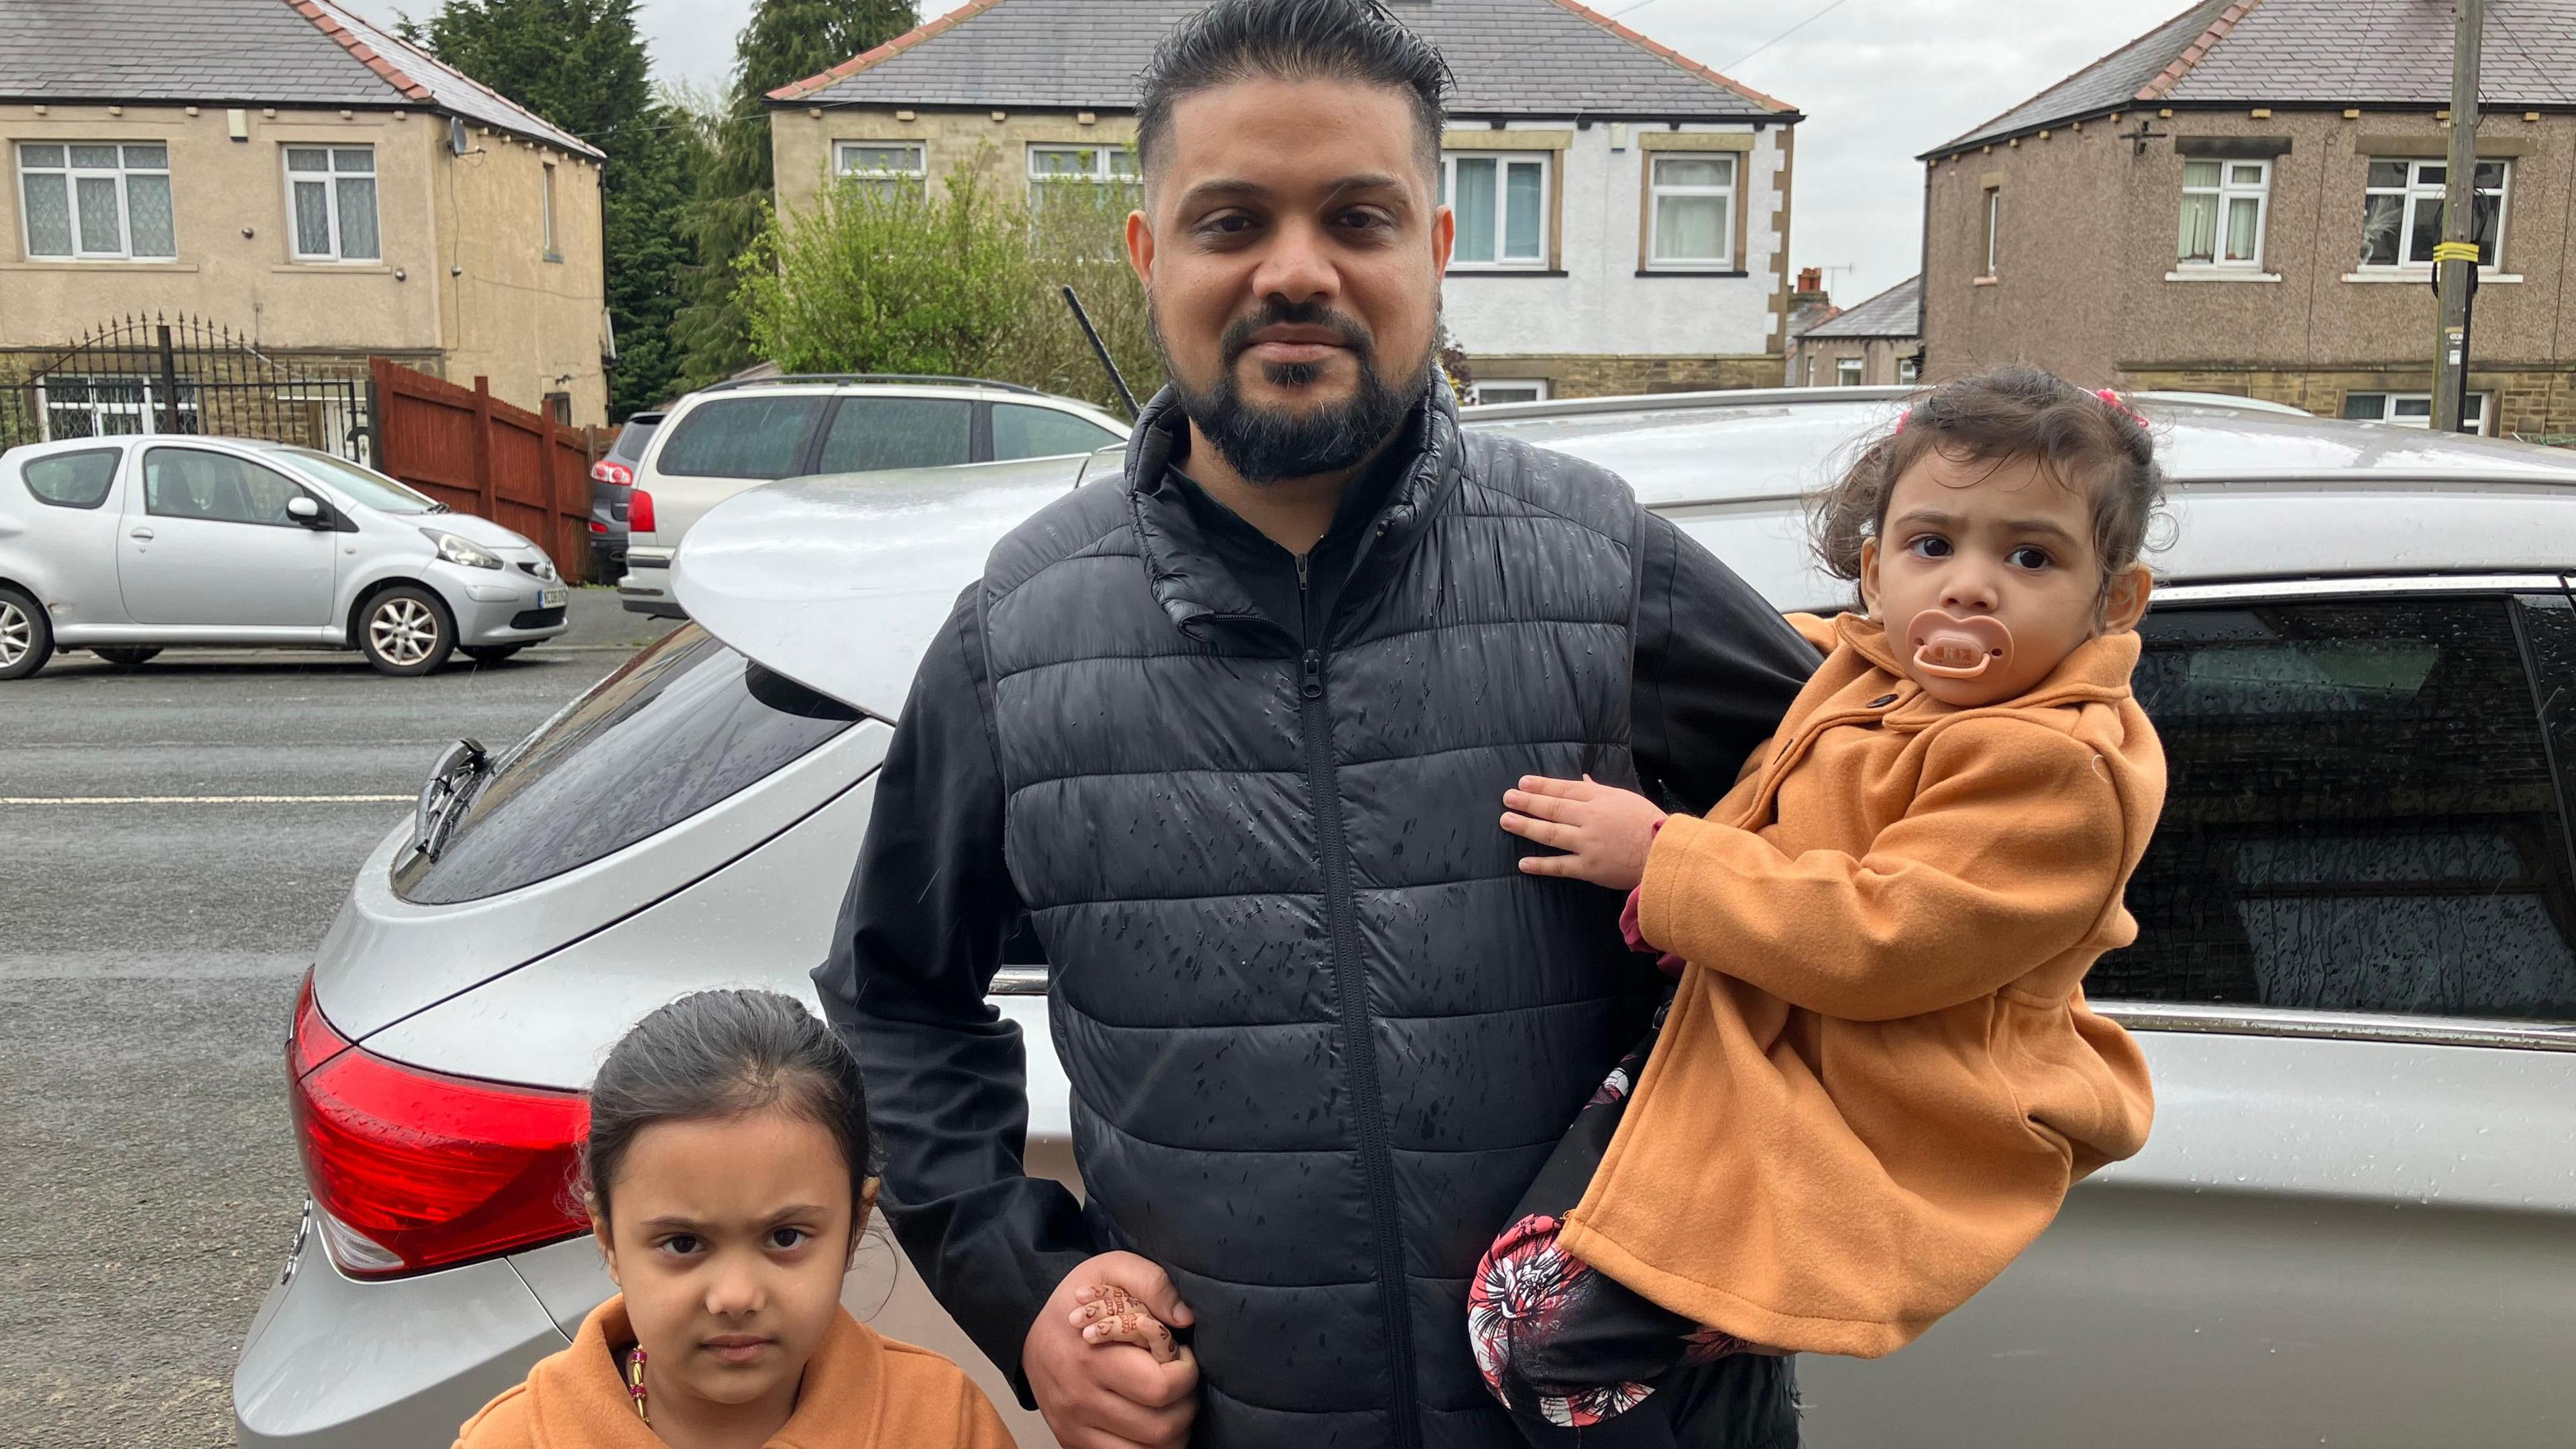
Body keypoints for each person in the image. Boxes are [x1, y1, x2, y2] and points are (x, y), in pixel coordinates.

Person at [810, 0, 1822, 1444]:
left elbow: (1890, 867)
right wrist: (1023, 1291)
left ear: (1438, 249)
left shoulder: (1610, 574)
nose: (1297, 270)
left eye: (1357, 216)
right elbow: (896, 1001)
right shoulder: (1017, 636)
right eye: (1232, 222)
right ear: (1152, 257)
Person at [1467, 368, 2167, 1442]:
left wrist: (1664, 860)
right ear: (1873, 568)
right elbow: (1774, 706)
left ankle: (1741, 1321)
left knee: (1536, 1332)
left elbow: (1883, 936)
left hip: (1882, 1104)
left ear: (2112, 600)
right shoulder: (1870, 675)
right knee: (1522, 1318)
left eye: (2030, 557)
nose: (1971, 587)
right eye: (1934, 545)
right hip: (1754, 1050)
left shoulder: (2055, 765)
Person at [452, 989, 1018, 1449]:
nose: (735, 1296)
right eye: (682, 1243)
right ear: (609, 1242)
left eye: (785, 1236)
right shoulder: (515, 1438)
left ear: (855, 1225)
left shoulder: (942, 1422)